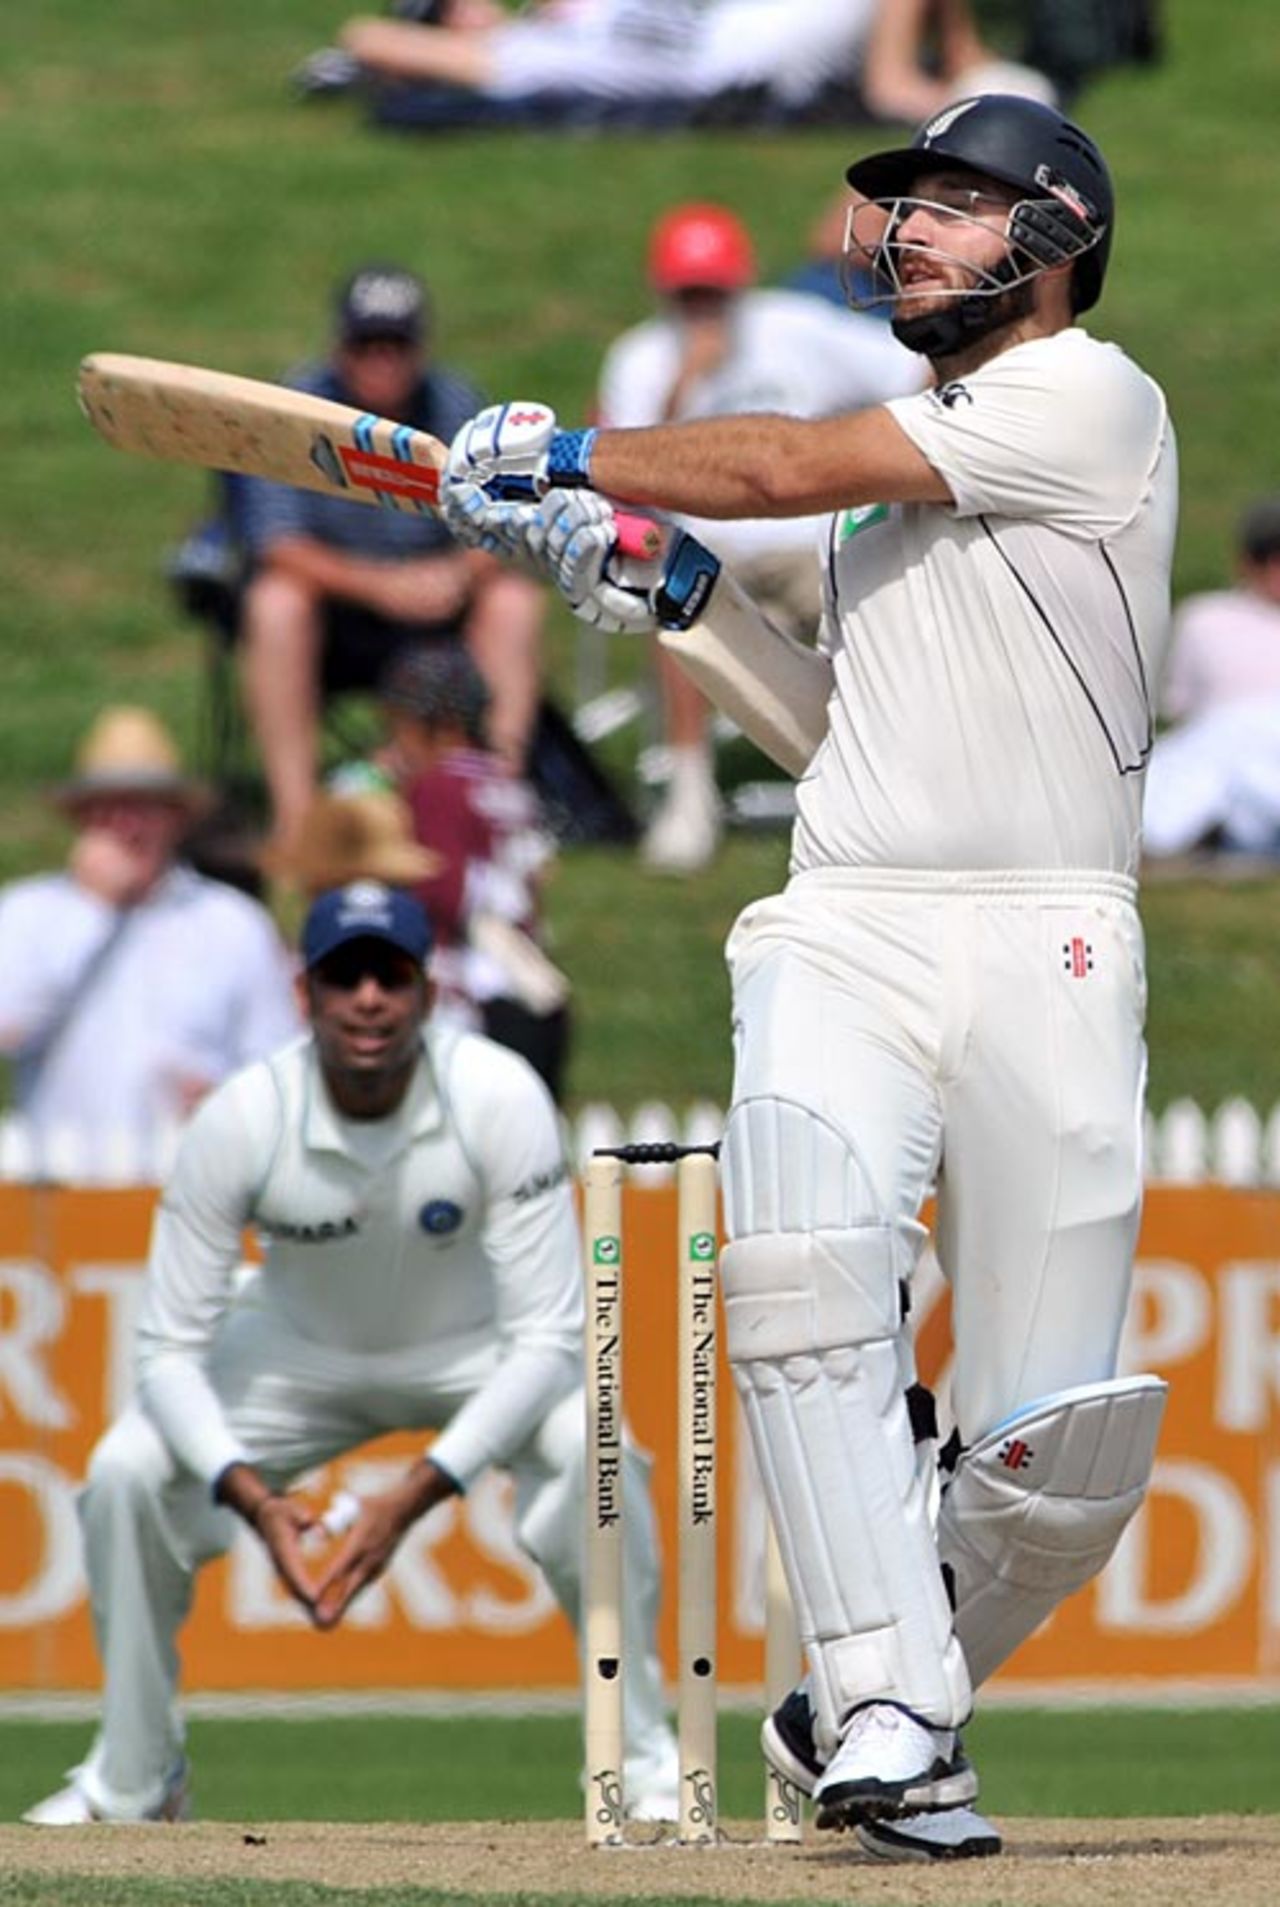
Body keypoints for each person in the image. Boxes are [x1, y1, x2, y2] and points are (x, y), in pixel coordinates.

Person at [437, 93, 1176, 1862]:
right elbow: (813, 703)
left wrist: (581, 457)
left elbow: (771, 468)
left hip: (1057, 929)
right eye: (904, 204)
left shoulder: (1094, 403)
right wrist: (661, 586)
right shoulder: (897, 486)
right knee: (805, 1267)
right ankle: (897, 1720)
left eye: (957, 204)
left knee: (1059, 1455)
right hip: (849, 912)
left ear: (1057, 237)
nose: (911, 229)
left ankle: (839, 1708)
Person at [22, 881, 678, 1826]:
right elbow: (166, 1348)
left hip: (475, 1347)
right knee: (124, 1470)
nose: (368, 996)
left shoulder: (496, 1094)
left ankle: (642, 1763)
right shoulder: (244, 1116)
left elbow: (548, 1337)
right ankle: (136, 1776)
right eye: (344, 975)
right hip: (294, 1354)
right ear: (305, 993)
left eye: (391, 974)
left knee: (592, 1448)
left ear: (427, 990)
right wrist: (253, 1497)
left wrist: (410, 1498)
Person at [598, 200, 920, 872]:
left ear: (739, 286)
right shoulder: (639, 358)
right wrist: (686, 383)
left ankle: (896, 791)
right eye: (689, 296)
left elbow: (911, 373)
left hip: (816, 542)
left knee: (892, 579)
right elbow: (627, 481)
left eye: (712, 293)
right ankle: (690, 797)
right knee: (673, 592)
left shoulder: (794, 327)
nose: (702, 310)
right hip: (713, 551)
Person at [236, 263, 545, 854]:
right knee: (274, 602)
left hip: (442, 611)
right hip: (340, 617)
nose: (382, 360)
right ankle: (298, 822)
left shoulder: (456, 406)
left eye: (397, 345)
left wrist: (460, 572)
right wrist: (380, 585)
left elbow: (506, 516)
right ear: (339, 346)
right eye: (366, 345)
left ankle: (497, 810)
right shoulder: (296, 409)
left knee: (513, 597)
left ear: (420, 347)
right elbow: (276, 543)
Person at [0, 706, 300, 1173]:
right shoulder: (28, 913)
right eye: (108, 807)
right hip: (62, 1180)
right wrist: (93, 909)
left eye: (144, 805)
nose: (127, 825)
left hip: (192, 1179)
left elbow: (278, 1061)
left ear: (177, 817)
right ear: (82, 816)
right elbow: (10, 1027)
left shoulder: (232, 923)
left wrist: (226, 1099)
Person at [322, 0, 1050, 127]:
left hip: (746, 22)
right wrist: (453, 38)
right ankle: (902, 85)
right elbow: (366, 36)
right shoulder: (524, 57)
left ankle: (962, 63)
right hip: (739, 56)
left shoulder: (562, 18)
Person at [376, 646, 573, 1101]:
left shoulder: (437, 785)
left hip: (470, 990)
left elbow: (440, 886)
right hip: (528, 976)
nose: (393, 744)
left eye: (399, 727)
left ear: (443, 725)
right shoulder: (508, 783)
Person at [1143, 496, 1280, 859]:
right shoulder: (1206, 617)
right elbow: (1182, 712)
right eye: (1270, 558)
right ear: (1247, 563)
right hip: (1223, 750)